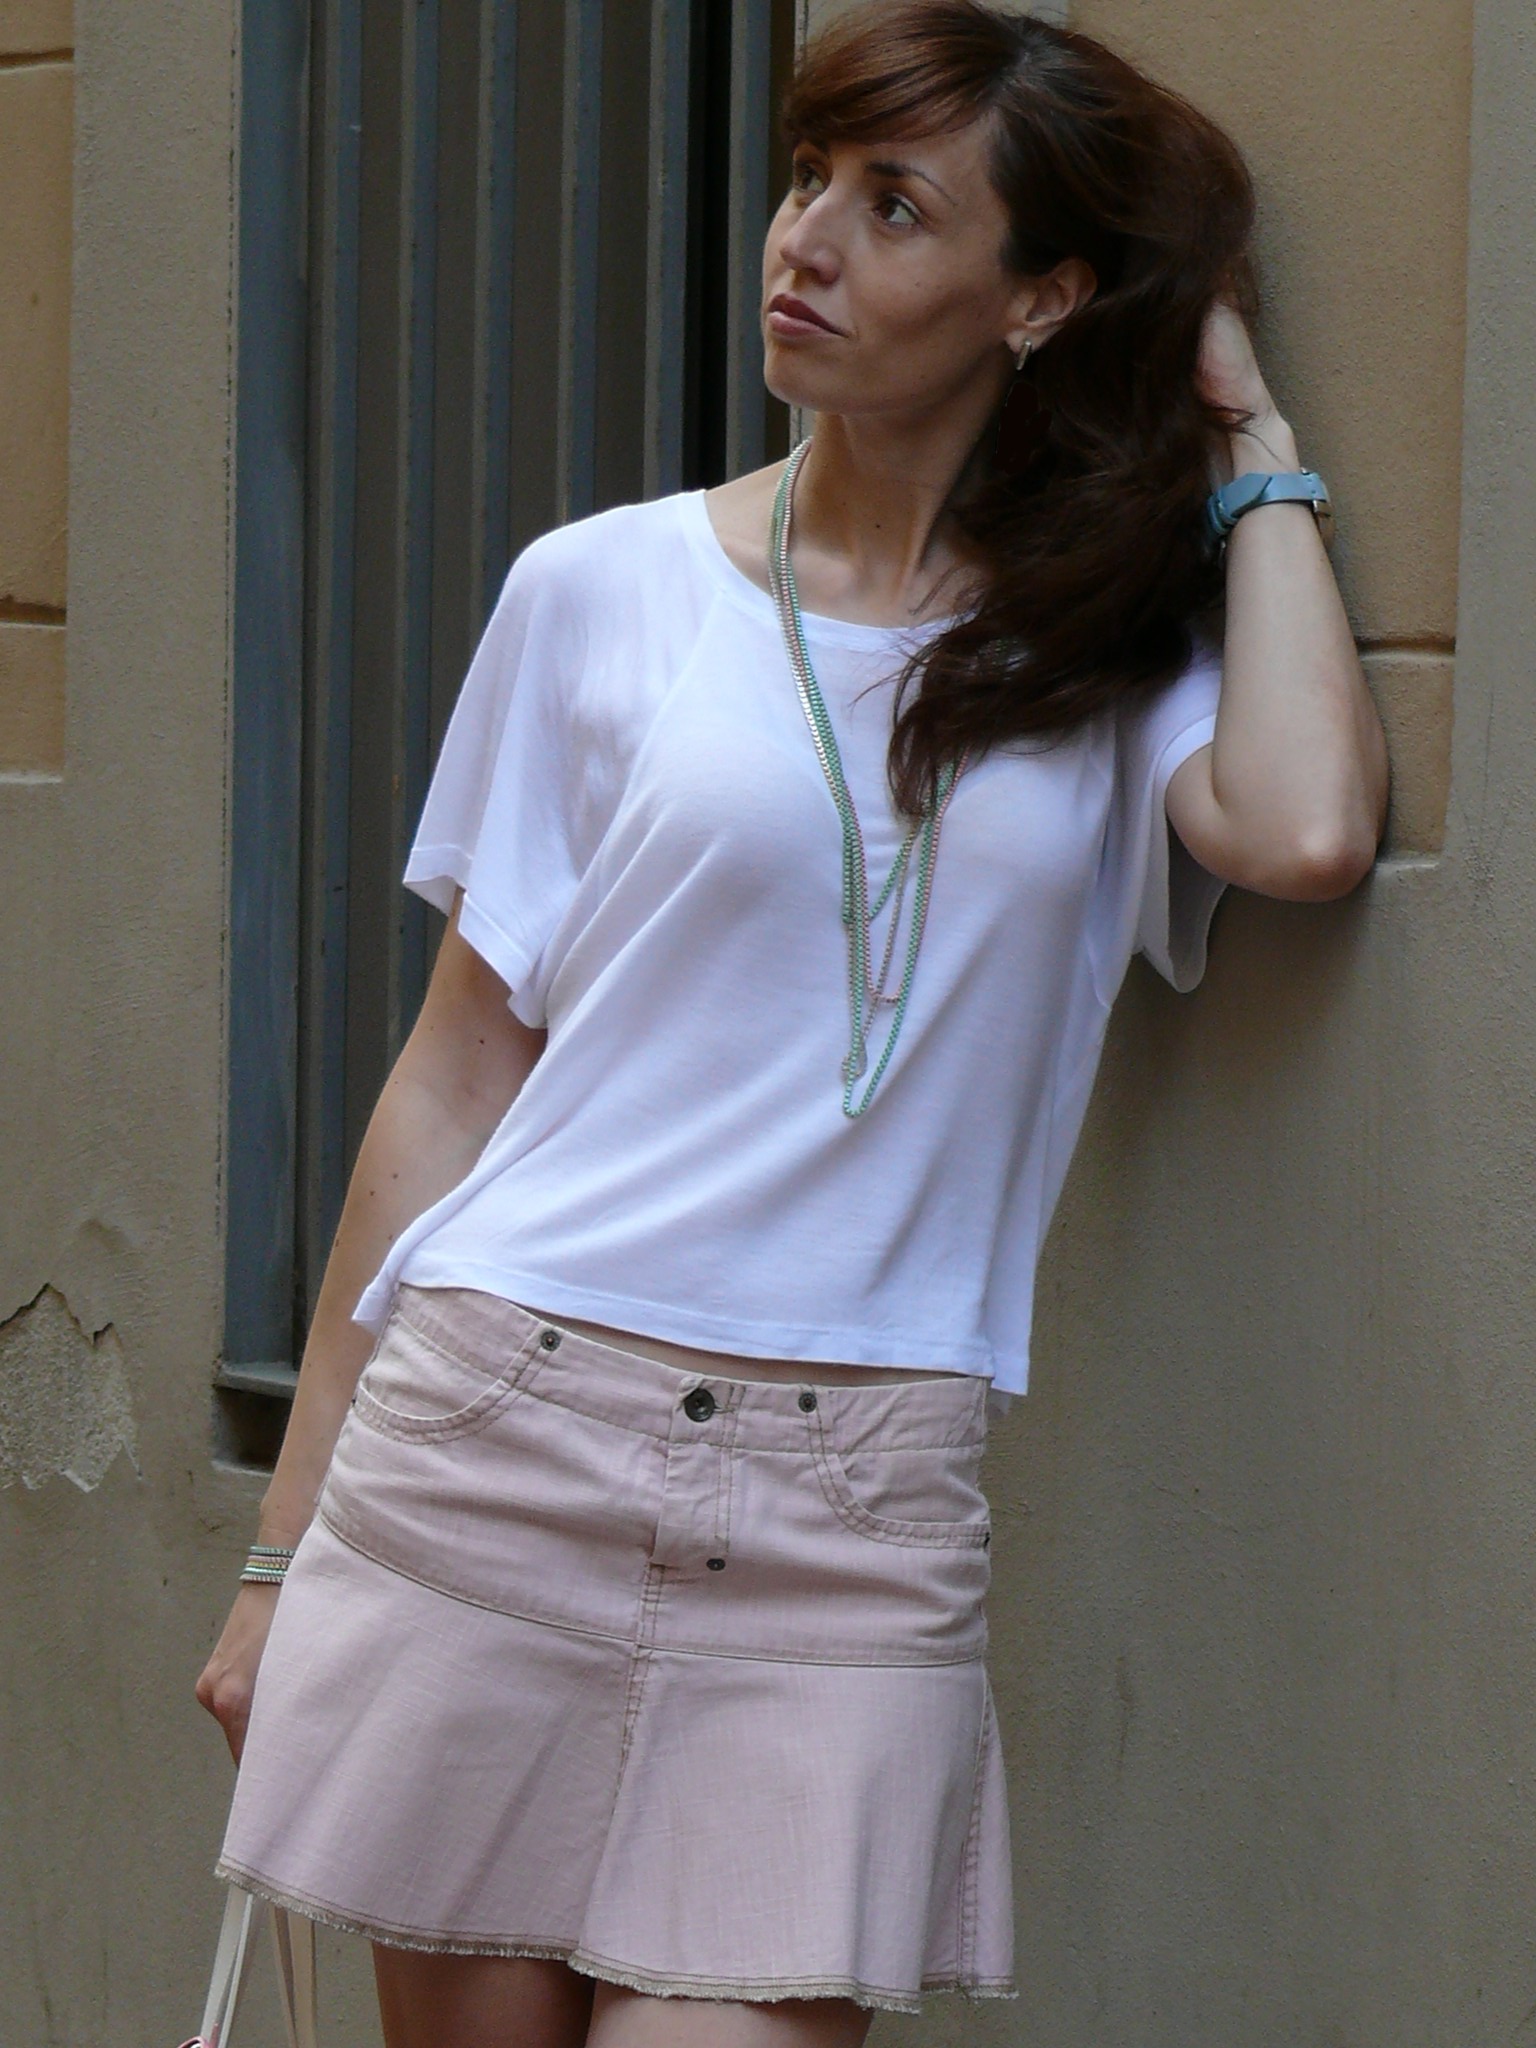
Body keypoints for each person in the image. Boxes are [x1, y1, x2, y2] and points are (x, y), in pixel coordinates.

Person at [195, 4, 1387, 2043]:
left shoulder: (1109, 655)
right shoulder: (600, 591)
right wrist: (281, 1549)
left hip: (857, 1517)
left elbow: (1301, 827)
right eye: (810, 177)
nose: (805, 239)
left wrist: (1255, 452)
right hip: (501, 1439)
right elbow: (455, 1080)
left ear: (1042, 296)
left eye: (895, 205)